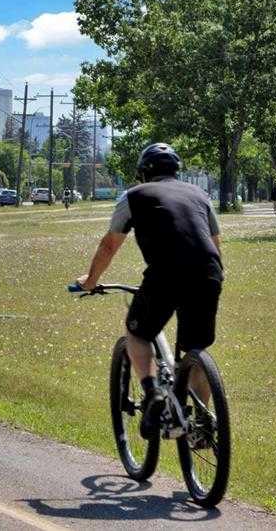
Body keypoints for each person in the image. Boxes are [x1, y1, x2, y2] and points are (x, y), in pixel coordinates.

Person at [78, 143, 223, 440]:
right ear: (176, 171)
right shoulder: (200, 195)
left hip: (166, 273)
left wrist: (91, 280)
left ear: (143, 173)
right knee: (195, 349)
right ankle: (202, 424)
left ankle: (153, 391)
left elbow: (109, 245)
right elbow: (215, 243)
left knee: (138, 333)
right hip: (209, 272)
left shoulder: (133, 196)